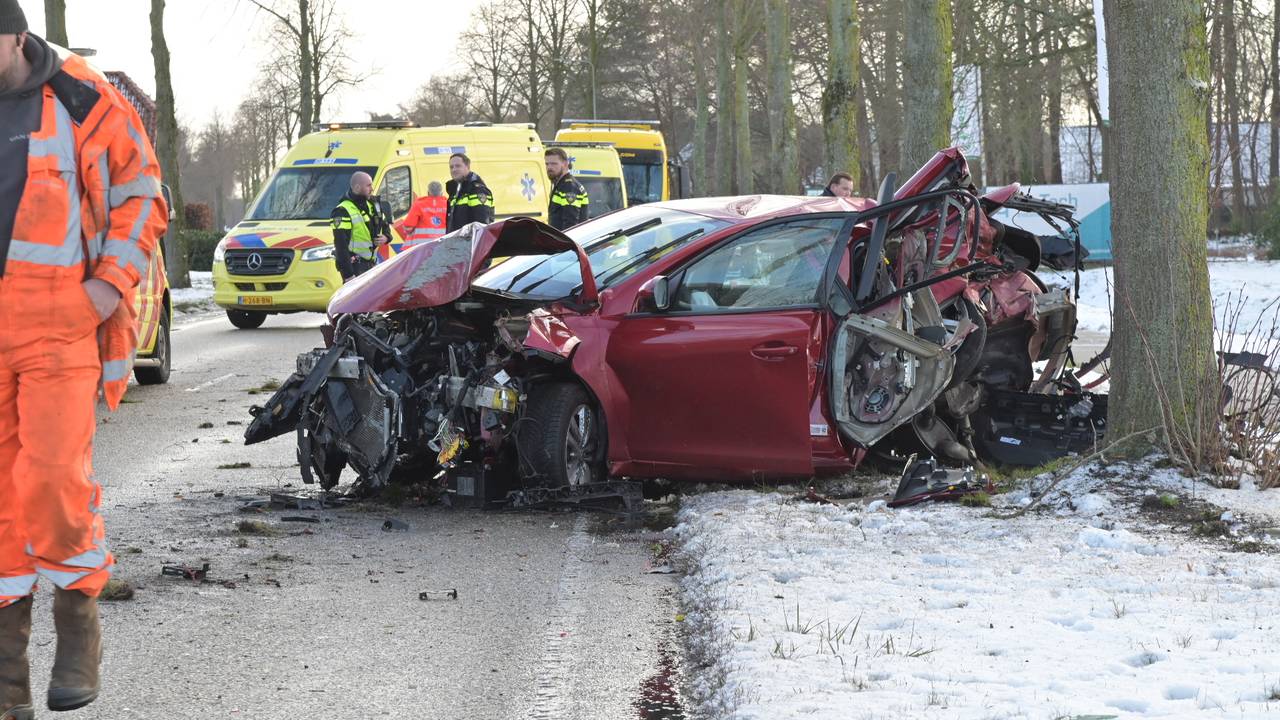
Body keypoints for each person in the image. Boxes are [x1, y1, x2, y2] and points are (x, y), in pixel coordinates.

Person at [0, 3, 167, 715]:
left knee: (52, 478)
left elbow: (142, 194)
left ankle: (77, 620)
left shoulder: (80, 95)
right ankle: (7, 677)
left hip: (57, 322)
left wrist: (105, 288)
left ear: (16, 35)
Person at [331, 171, 390, 280]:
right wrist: (348, 275)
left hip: (372, 264)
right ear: (357, 188)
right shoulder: (342, 210)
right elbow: (341, 246)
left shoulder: (373, 204)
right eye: (368, 185)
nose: (372, 189)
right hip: (355, 267)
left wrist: (386, 237)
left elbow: (385, 224)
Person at [445, 153, 494, 233]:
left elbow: (481, 225)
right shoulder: (455, 190)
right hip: (456, 240)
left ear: (467, 167)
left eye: (458, 166)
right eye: (451, 167)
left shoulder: (477, 190)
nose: (454, 170)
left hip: (469, 240)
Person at [545, 147, 589, 231]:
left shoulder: (569, 186)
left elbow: (570, 224)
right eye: (547, 164)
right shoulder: (561, 185)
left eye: (554, 164)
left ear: (565, 164)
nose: (549, 167)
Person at [402, 181, 447, 247]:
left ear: (428, 193)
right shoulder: (448, 205)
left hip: (420, 247)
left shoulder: (419, 204)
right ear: (442, 193)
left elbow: (408, 226)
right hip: (442, 245)